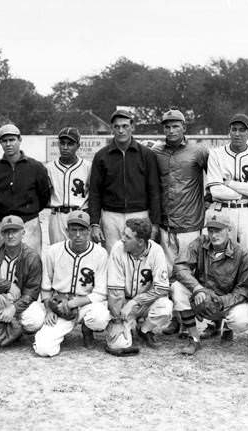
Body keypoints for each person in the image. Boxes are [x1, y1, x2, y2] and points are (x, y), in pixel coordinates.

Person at [151, 109, 210, 337]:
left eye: (176, 126)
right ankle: (176, 319)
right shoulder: (156, 152)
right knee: (168, 275)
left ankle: (191, 323)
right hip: (166, 226)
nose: (171, 130)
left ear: (184, 127)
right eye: (167, 126)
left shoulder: (199, 151)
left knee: (189, 275)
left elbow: (214, 178)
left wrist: (208, 205)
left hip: (191, 226)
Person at [171, 212, 248, 355]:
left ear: (229, 230)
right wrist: (197, 288)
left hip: (225, 303)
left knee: (241, 319)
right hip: (202, 297)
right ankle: (195, 339)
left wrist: (219, 301)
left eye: (218, 230)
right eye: (210, 230)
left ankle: (227, 327)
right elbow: (180, 266)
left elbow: (245, 290)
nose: (213, 235)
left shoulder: (240, 253)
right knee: (177, 288)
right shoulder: (200, 243)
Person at [33, 211, 111, 357]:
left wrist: (74, 303)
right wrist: (49, 310)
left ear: (89, 231)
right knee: (44, 349)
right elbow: (45, 286)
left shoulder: (100, 253)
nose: (78, 235)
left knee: (100, 317)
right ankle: (62, 332)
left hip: (86, 304)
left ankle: (87, 329)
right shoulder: (53, 251)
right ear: (67, 231)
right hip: (60, 305)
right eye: (74, 230)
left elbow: (101, 292)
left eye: (82, 230)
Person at [0, 215, 46, 355]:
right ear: (1, 233)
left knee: (36, 318)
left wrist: (14, 309)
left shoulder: (32, 256)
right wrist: (7, 285)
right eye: (6, 232)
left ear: (23, 233)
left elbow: (32, 292)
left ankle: (15, 328)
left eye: (15, 231)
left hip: (19, 300)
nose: (10, 235)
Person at [88, 109, 162, 252]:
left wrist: (155, 224)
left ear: (132, 127)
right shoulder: (101, 156)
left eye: (125, 126)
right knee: (113, 257)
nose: (121, 130)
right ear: (112, 129)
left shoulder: (146, 155)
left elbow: (154, 190)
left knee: (139, 258)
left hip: (139, 214)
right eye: (117, 127)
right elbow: (95, 192)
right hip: (111, 216)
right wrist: (95, 223)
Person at [205, 113, 248, 261]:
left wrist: (229, 183)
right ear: (229, 131)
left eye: (242, 130)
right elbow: (216, 191)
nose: (237, 133)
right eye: (234, 129)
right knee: (221, 257)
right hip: (223, 210)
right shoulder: (216, 154)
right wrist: (246, 193)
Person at [105, 218, 173, 356]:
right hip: (123, 304)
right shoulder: (118, 249)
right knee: (119, 345)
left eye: (128, 237)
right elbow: (115, 291)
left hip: (145, 302)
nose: (122, 239)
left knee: (165, 308)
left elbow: (162, 288)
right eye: (124, 234)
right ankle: (126, 327)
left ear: (140, 242)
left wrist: (136, 301)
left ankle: (144, 330)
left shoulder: (157, 251)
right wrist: (118, 321)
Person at [0, 124, 51, 255]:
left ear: (19, 140)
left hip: (28, 222)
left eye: (12, 140)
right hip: (1, 221)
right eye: (4, 141)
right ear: (0, 142)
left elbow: (44, 196)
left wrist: (29, 210)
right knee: (1, 264)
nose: (8, 144)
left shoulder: (36, 167)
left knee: (31, 263)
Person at [46, 126, 92, 244]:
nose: (65, 147)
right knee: (57, 253)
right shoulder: (49, 168)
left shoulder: (88, 167)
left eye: (70, 144)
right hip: (57, 216)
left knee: (81, 254)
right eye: (62, 143)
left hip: (81, 214)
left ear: (78, 146)